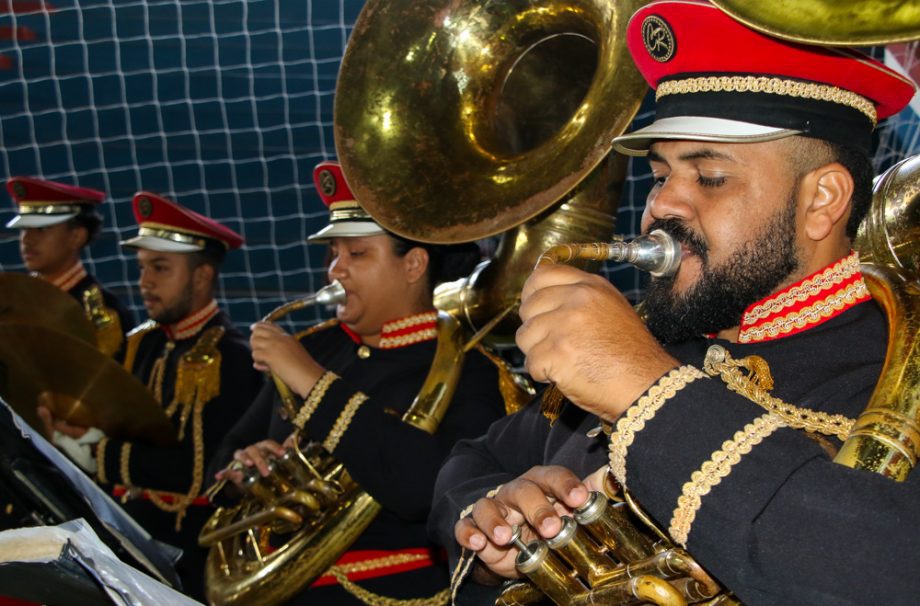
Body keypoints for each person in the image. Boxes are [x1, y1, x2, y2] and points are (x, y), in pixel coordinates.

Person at [430, 2, 920, 605]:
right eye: (661, 175)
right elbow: (468, 463)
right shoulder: (658, 337)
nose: (662, 206)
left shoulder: (895, 366)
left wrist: (645, 391)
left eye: (709, 176)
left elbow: (890, 568)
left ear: (823, 200)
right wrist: (497, 527)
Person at [208, 161, 527, 604]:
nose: (336, 270)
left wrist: (313, 383)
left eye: (356, 254)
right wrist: (247, 469)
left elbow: (425, 488)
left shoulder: (470, 370)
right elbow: (225, 453)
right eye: (334, 253)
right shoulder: (312, 347)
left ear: (414, 264)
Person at [39, 192, 263, 600]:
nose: (145, 282)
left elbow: (197, 473)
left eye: (160, 268)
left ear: (201, 276)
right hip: (129, 537)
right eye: (143, 268)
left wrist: (95, 452)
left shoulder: (229, 356)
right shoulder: (142, 344)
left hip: (188, 555)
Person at [6, 176, 134, 357]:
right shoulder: (12, 301)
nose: (27, 239)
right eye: (24, 229)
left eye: (42, 229)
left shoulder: (102, 314)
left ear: (77, 237)